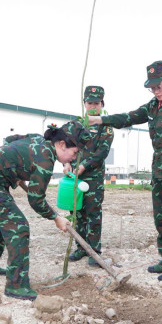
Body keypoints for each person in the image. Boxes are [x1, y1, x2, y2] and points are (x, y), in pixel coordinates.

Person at [88, 60, 162, 282]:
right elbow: (127, 118)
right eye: (152, 87)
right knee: (161, 219)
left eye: (159, 86)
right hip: (158, 172)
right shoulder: (152, 107)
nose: (155, 91)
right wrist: (100, 119)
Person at [0, 121, 90, 300]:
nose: (74, 157)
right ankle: (16, 286)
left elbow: (11, 139)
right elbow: (36, 199)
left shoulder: (38, 140)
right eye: (75, 152)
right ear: (62, 145)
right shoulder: (45, 160)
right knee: (18, 227)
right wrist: (56, 218)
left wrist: (11, 167)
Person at [65, 86, 114, 267]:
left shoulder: (105, 127)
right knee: (77, 212)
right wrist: (66, 164)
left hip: (93, 178)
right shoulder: (76, 125)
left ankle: (94, 251)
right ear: (84, 104)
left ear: (102, 104)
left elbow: (102, 152)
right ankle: (81, 247)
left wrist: (83, 167)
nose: (93, 107)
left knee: (93, 213)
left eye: (96, 103)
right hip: (75, 178)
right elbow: (65, 147)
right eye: (90, 103)